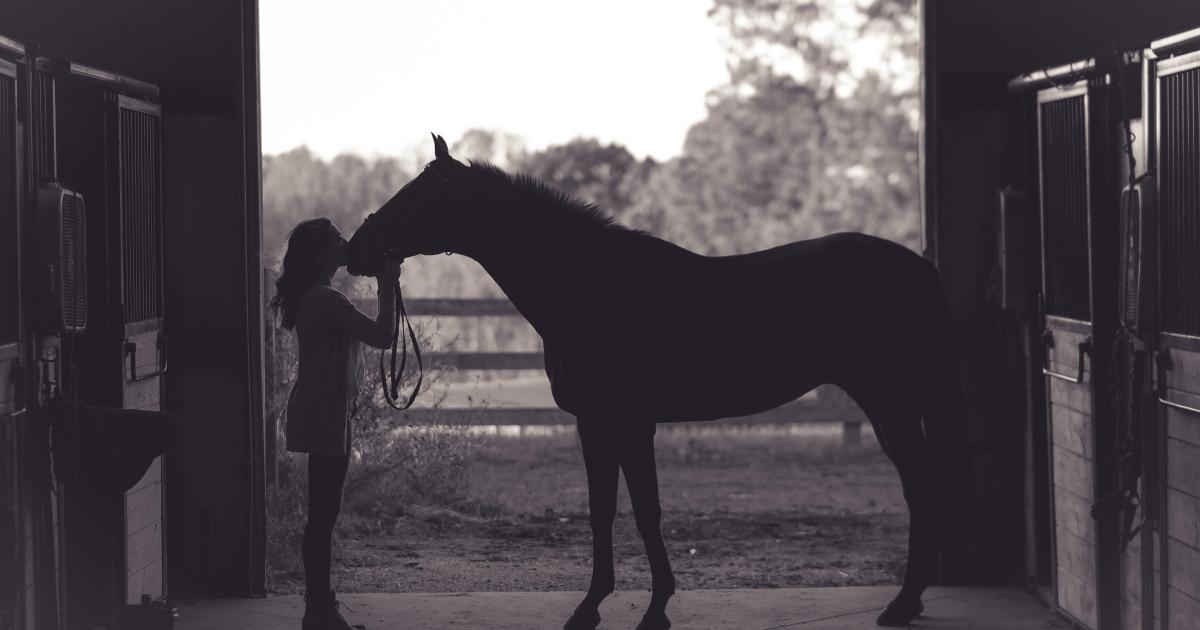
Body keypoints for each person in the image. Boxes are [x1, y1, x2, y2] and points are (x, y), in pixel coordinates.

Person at [268, 218, 400, 630]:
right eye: (338, 239)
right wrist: (388, 284)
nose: (345, 243)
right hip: (324, 410)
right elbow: (383, 335)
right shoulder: (326, 300)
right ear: (323, 252)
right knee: (324, 517)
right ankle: (319, 613)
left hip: (322, 407)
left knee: (322, 515)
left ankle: (319, 610)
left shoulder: (314, 296)